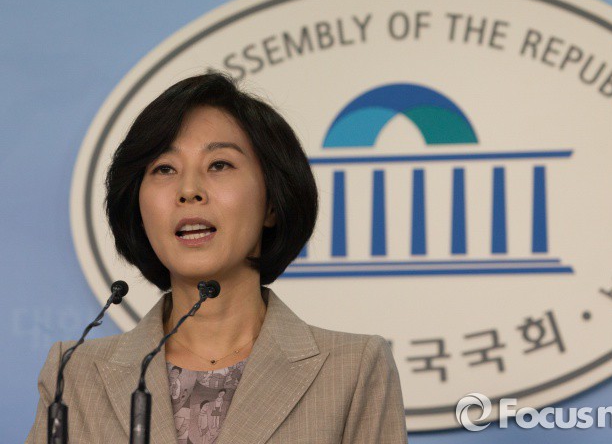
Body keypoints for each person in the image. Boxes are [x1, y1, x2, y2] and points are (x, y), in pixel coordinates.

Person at [26, 72, 408, 443]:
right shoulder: (73, 374)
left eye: (219, 165)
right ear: (138, 208)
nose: (189, 190)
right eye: (164, 168)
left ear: (272, 202)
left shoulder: (353, 370)